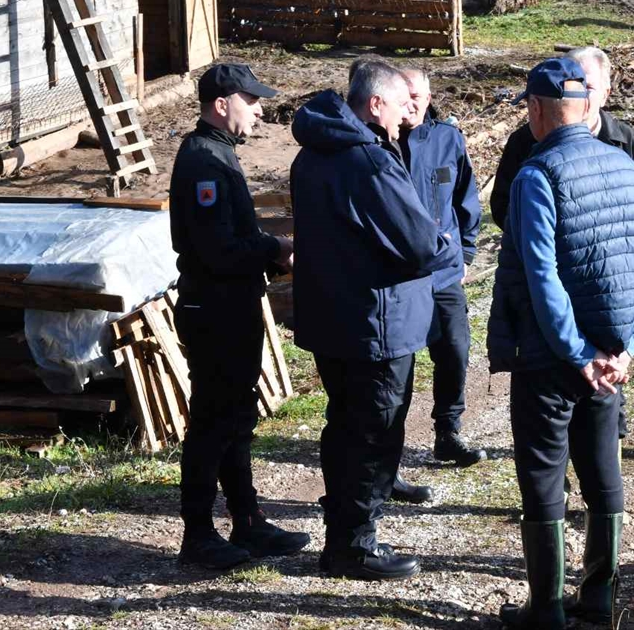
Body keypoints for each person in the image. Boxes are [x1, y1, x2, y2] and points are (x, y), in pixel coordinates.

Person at [487, 58, 634, 627]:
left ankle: (547, 611)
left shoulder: (537, 175)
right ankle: (600, 598)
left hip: (552, 359)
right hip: (611, 358)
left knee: (543, 477)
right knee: (602, 469)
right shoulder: (626, 164)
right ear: (584, 106)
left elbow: (541, 274)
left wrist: (576, 352)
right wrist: (628, 345)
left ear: (536, 111)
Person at [290, 58, 456, 581]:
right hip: (376, 323)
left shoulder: (312, 154)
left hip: (333, 318)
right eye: (400, 102)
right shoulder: (368, 161)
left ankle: (346, 532)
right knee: (371, 431)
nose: (408, 113)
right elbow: (420, 241)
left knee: (343, 426)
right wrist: (441, 240)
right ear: (375, 103)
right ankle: (354, 546)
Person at [169, 63, 308, 570]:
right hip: (215, 310)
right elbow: (218, 249)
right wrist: (275, 246)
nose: (260, 109)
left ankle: (246, 521)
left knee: (236, 419)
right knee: (213, 422)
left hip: (232, 305)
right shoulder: (205, 161)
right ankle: (198, 535)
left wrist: (270, 247)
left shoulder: (218, 153)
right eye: (251, 100)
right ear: (221, 103)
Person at [395, 68, 487, 484]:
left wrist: (466, 251)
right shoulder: (381, 144)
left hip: (445, 272)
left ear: (429, 97)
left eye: (418, 96)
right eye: (405, 95)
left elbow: (466, 199)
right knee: (399, 363)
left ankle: (447, 431)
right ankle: (389, 446)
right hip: (399, 277)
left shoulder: (448, 140)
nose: (411, 104)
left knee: (454, 348)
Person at [490, 46, 634, 230]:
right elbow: (502, 205)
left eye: (589, 87)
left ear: (605, 95)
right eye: (575, 86)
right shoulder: (524, 140)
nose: (579, 95)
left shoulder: (629, 142)